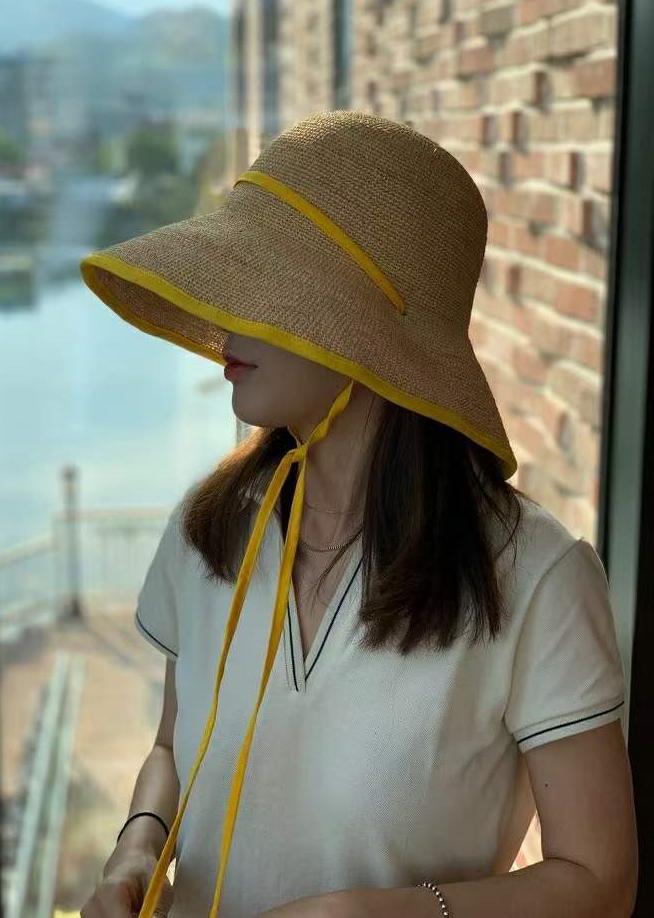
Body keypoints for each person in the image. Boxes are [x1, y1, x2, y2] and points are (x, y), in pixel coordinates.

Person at [77, 111, 629, 918]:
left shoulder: (536, 575)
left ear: (369, 331)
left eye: (264, 284)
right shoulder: (208, 529)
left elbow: (600, 880)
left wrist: (378, 914)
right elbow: (170, 742)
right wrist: (136, 848)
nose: (227, 321)